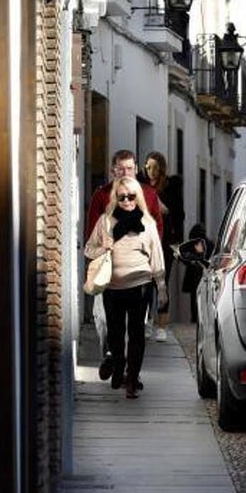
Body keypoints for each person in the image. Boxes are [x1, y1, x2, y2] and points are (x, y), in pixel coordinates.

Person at [83, 175, 164, 399]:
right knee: (116, 335)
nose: (127, 201)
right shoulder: (106, 222)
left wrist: (162, 287)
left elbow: (156, 257)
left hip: (140, 285)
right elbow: (88, 250)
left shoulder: (147, 224)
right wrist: (103, 248)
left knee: (137, 334)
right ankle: (119, 365)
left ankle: (131, 379)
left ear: (138, 197)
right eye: (122, 197)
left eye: (131, 196)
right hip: (113, 287)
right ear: (115, 198)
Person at [144, 151, 184, 341]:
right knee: (144, 282)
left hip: (164, 242)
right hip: (144, 240)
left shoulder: (170, 187)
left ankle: (161, 326)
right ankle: (147, 321)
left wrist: (155, 200)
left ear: (161, 169)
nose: (150, 171)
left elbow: (175, 213)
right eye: (148, 167)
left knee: (161, 283)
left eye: (154, 167)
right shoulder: (141, 186)